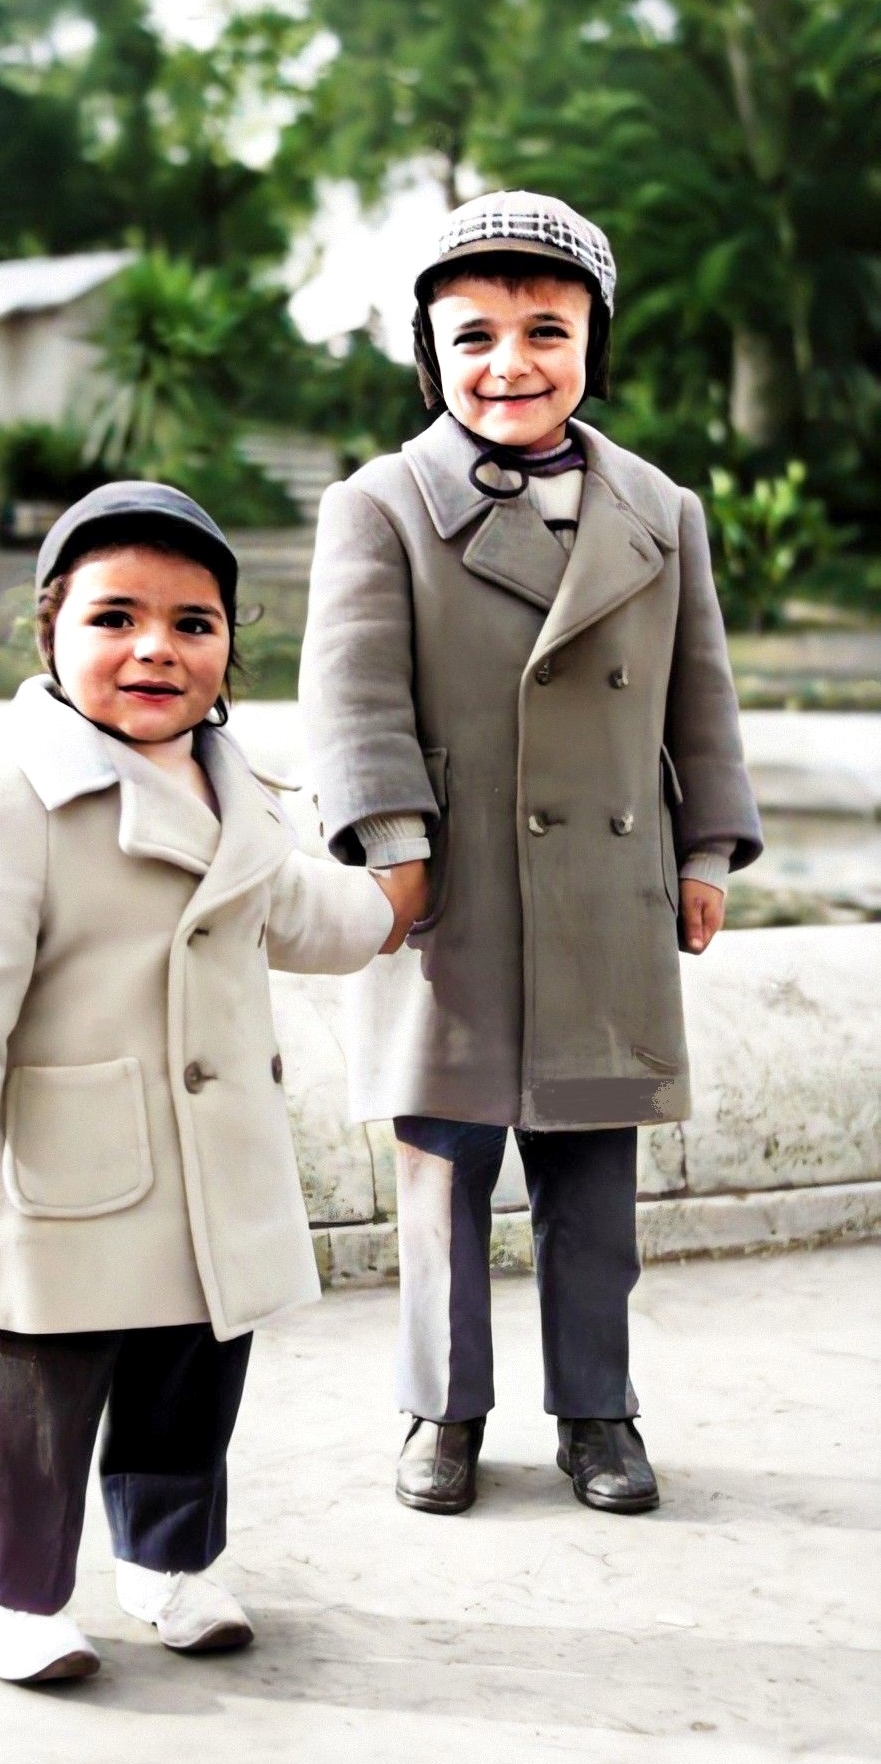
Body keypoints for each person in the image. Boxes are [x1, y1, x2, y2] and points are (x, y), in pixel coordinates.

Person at [0, 481, 425, 1685]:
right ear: (51, 635)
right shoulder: (6, 795)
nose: (156, 649)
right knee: (35, 1398)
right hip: (55, 1159)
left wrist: (392, 904)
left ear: (229, 647)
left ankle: (170, 1563)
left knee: (191, 1376)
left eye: (194, 622)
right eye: (115, 618)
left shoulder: (241, 794)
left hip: (205, 1168)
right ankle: (14, 1594)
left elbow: (304, 916)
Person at [299, 190, 762, 1519]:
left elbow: (700, 698)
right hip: (446, 895)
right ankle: (441, 1411)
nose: (510, 365)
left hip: (605, 891)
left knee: (593, 1179)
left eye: (546, 332)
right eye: (475, 337)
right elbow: (350, 698)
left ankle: (598, 1412)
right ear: (430, 354)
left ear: (591, 345)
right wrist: (392, 851)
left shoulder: (659, 508)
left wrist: (706, 852)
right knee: (441, 1170)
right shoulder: (378, 504)